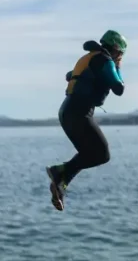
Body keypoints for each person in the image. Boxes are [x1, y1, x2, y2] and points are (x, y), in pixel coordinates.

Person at [46, 30, 127, 211]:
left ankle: (60, 182)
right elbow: (119, 88)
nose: (120, 57)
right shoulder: (105, 61)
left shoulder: (90, 57)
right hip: (78, 113)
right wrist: (118, 66)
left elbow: (70, 75)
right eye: (121, 54)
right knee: (102, 154)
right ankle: (58, 172)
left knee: (88, 154)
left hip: (67, 112)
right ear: (115, 49)